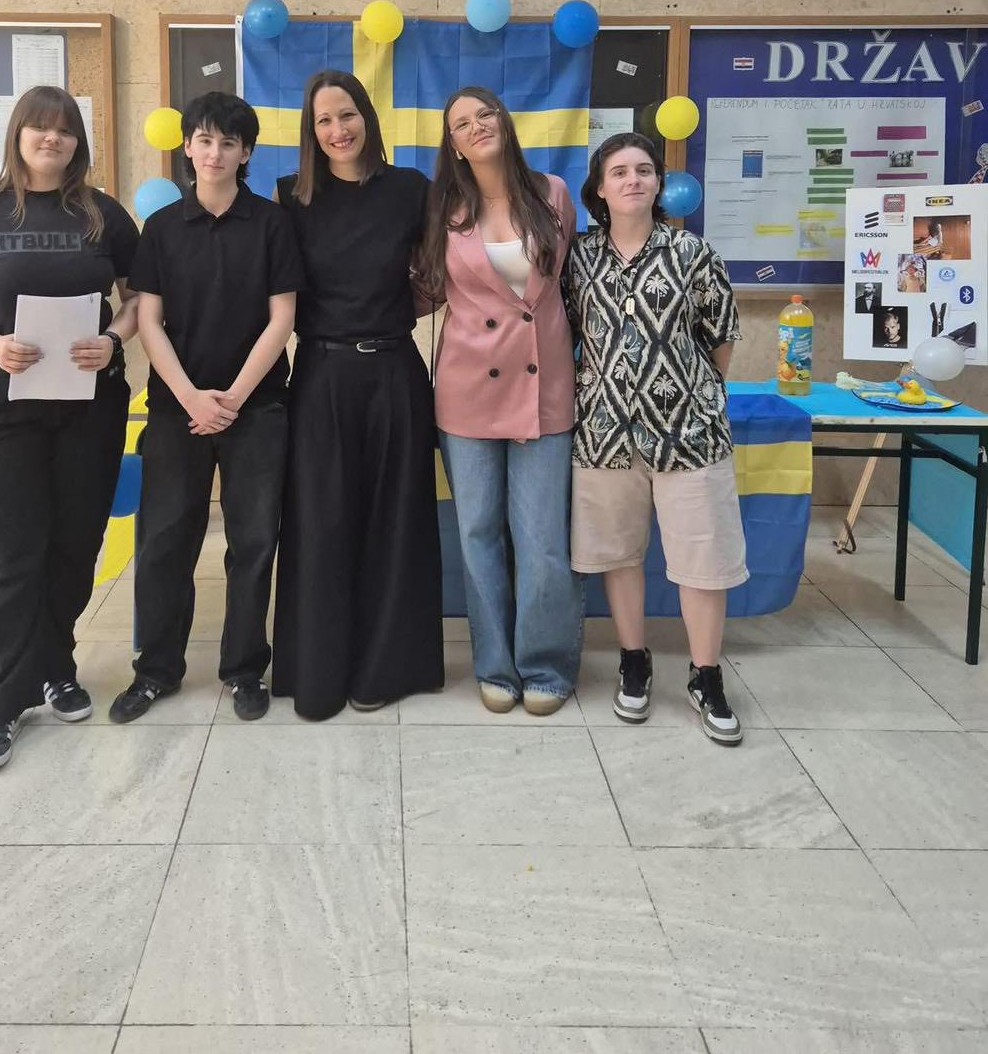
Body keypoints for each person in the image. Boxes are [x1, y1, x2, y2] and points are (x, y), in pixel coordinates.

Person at [0, 85, 139, 772]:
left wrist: (113, 338)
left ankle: (56, 667)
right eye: (40, 128)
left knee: (75, 546)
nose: (53, 139)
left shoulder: (103, 214)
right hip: (2, 408)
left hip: (89, 404)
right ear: (17, 134)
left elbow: (139, 300)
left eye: (65, 130)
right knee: (13, 555)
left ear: (79, 141)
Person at [109, 93, 303, 725]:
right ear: (187, 147)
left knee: (254, 541)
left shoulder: (272, 224)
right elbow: (149, 320)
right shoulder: (163, 228)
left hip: (258, 406)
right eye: (204, 140)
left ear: (246, 153)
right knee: (165, 539)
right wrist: (193, 397)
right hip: (177, 409)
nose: (214, 152)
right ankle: (156, 670)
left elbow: (282, 319)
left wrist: (234, 398)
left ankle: (244, 668)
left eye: (228, 142)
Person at [272, 69, 444, 719]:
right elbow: (276, 294)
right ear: (310, 131)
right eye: (324, 120)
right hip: (321, 375)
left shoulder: (410, 190)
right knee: (321, 524)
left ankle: (384, 669)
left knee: (394, 524)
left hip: (395, 371)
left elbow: (441, 276)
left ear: (367, 117)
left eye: (347, 115)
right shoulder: (291, 197)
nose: (338, 130)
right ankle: (317, 670)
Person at [564, 131, 747, 745]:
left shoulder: (693, 252)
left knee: (702, 560)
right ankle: (634, 661)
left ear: (660, 184)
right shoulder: (579, 258)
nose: (633, 180)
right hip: (604, 431)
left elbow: (721, 336)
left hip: (688, 434)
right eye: (619, 172)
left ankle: (705, 675)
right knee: (618, 554)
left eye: (644, 170)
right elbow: (569, 333)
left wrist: (693, 396)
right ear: (599, 188)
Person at [417, 86, 582, 715]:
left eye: (485, 114)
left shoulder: (553, 194)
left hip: (545, 388)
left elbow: (570, 282)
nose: (477, 126)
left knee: (541, 537)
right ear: (453, 145)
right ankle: (494, 664)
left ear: (505, 122)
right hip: (467, 391)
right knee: (478, 532)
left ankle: (545, 663)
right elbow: (426, 288)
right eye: (461, 123)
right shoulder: (445, 208)